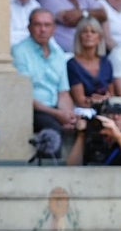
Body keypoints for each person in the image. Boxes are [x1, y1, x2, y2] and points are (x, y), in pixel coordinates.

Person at [13, 9, 78, 142]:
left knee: (83, 126)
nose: (42, 29)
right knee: (53, 129)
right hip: (32, 109)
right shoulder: (19, 52)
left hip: (55, 109)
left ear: (54, 29)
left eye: (47, 25)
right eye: (38, 25)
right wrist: (58, 114)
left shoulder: (58, 54)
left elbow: (63, 92)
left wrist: (69, 116)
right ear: (29, 28)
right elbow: (24, 96)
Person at [67, 94, 121, 163]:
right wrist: (81, 135)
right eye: (111, 112)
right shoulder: (93, 140)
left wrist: (118, 136)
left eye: (120, 113)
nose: (116, 117)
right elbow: (72, 167)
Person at [68, 15, 114, 109]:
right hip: (83, 110)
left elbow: (112, 94)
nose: (89, 35)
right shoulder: (72, 64)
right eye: (85, 32)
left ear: (99, 38)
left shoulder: (106, 63)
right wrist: (94, 101)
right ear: (79, 37)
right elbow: (80, 100)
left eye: (93, 32)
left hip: (107, 108)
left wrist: (105, 98)